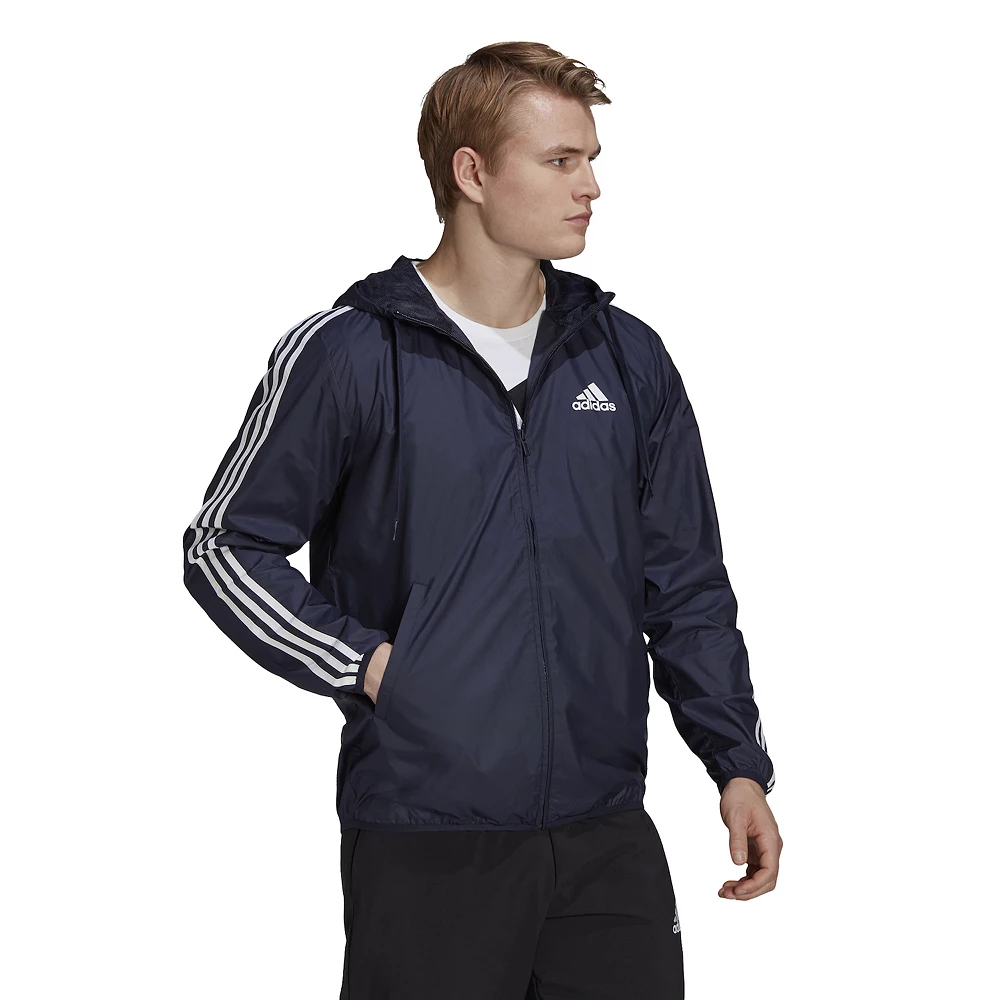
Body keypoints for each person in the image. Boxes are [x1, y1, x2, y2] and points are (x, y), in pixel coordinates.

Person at [182, 40, 782, 1000]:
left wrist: (736, 763)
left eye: (591, 160)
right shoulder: (352, 353)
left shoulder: (626, 358)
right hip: (428, 835)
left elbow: (685, 585)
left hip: (604, 831)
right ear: (471, 173)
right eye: (560, 160)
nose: (591, 187)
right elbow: (224, 547)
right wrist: (371, 666)